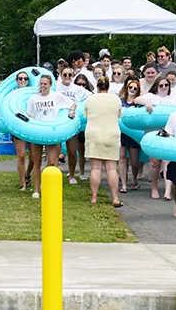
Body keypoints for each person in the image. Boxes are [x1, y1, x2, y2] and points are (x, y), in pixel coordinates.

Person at [15, 74, 76, 200]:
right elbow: (29, 115)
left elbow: (72, 103)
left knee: (51, 161)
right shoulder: (33, 99)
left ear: (50, 85)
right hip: (37, 133)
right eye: (41, 84)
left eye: (45, 84)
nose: (42, 86)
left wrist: (71, 111)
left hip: (51, 133)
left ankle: (47, 185)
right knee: (36, 162)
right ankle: (36, 190)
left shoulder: (56, 96)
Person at [83, 76, 123, 208]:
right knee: (112, 168)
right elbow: (119, 115)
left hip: (94, 133)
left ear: (97, 86)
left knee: (95, 168)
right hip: (112, 133)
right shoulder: (116, 99)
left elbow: (86, 115)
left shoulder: (90, 99)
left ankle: (94, 197)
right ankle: (115, 197)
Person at [56, 66, 89, 184]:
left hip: (71, 121)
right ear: (60, 75)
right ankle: (54, 175)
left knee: (72, 151)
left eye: (70, 75)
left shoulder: (77, 89)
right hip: (58, 122)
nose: (67, 77)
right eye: (65, 75)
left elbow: (90, 96)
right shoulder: (56, 87)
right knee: (56, 150)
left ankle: (71, 174)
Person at [11, 70, 33, 191]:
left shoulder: (32, 93)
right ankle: (22, 184)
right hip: (18, 127)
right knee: (21, 156)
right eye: (20, 79)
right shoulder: (12, 94)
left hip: (31, 127)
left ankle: (27, 174)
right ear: (17, 81)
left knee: (34, 158)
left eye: (25, 79)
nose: (23, 80)